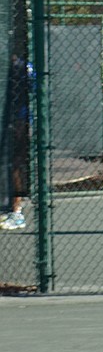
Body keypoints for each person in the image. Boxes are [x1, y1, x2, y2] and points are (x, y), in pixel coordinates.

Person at [1, 54, 34, 230]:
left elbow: (34, 89)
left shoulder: (23, 67)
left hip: (18, 122)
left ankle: (16, 211)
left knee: (14, 165)